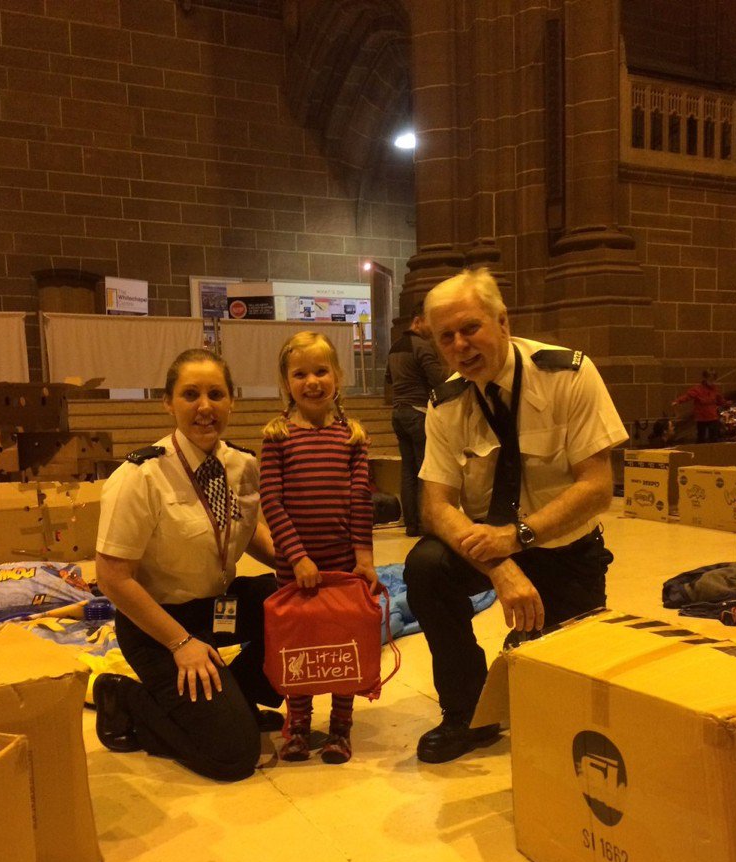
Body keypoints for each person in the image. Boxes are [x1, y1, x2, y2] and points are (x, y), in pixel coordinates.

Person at [403, 268, 628, 764]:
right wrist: (500, 565)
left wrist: (518, 537)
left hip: (565, 547)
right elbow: (436, 506)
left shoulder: (567, 374)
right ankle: (466, 714)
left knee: (566, 708)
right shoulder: (447, 402)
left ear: (502, 321)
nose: (460, 345)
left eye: (470, 328)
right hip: (492, 549)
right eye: (446, 337)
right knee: (425, 567)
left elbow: (597, 487)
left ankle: (530, 645)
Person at [93, 348, 283, 782]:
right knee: (233, 757)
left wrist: (303, 568)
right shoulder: (139, 476)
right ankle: (130, 703)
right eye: (190, 394)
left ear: (231, 400)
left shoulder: (243, 465)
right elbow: (112, 577)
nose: (204, 407)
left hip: (216, 609)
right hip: (158, 626)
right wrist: (181, 644)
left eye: (216, 394)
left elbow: (245, 529)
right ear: (168, 402)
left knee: (297, 607)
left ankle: (234, 698)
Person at [260, 331, 378, 764]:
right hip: (297, 567)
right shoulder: (277, 436)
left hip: (343, 563)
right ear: (286, 382)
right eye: (300, 373)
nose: (312, 381)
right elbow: (272, 501)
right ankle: (299, 725)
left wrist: (363, 559)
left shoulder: (353, 437)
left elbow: (360, 500)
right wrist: (298, 556)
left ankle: (341, 728)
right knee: (302, 646)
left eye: (321, 370)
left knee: (342, 644)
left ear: (338, 376)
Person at [384, 301, 447, 535]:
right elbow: (437, 380)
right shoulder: (422, 346)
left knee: (408, 469)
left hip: (398, 413)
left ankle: (411, 524)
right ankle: (424, 522)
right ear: (418, 320)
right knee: (424, 469)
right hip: (418, 412)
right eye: (430, 321)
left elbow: (389, 379)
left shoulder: (395, 347)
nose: (433, 328)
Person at [672, 371, 727, 443]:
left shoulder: (715, 389)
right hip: (701, 418)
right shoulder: (698, 389)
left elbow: (720, 400)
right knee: (701, 438)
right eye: (710, 380)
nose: (712, 382)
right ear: (705, 379)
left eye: (714, 380)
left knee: (714, 437)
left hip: (713, 417)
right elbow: (688, 396)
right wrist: (678, 401)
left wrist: (726, 404)